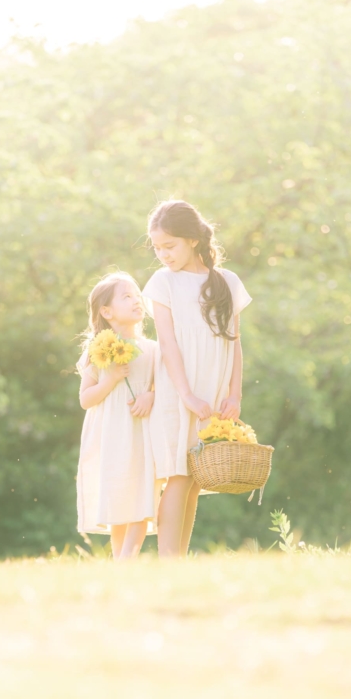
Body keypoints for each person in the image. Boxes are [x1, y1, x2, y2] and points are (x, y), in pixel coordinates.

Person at [143, 200, 252, 558]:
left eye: (169, 246)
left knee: (194, 478)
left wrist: (234, 394)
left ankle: (180, 560)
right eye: (157, 247)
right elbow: (168, 343)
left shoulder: (226, 283)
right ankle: (167, 561)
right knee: (177, 474)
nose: (162, 254)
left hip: (214, 388)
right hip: (179, 387)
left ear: (192, 240)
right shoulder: (163, 282)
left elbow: (234, 344)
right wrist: (186, 393)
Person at [76, 272, 159, 559]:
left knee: (142, 492)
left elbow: (163, 387)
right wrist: (109, 380)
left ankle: (127, 560)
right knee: (118, 493)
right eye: (127, 296)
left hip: (141, 431)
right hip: (112, 434)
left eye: (137, 295)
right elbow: (85, 399)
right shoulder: (96, 352)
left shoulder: (153, 350)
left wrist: (151, 394)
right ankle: (119, 559)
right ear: (106, 312)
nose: (136, 300)